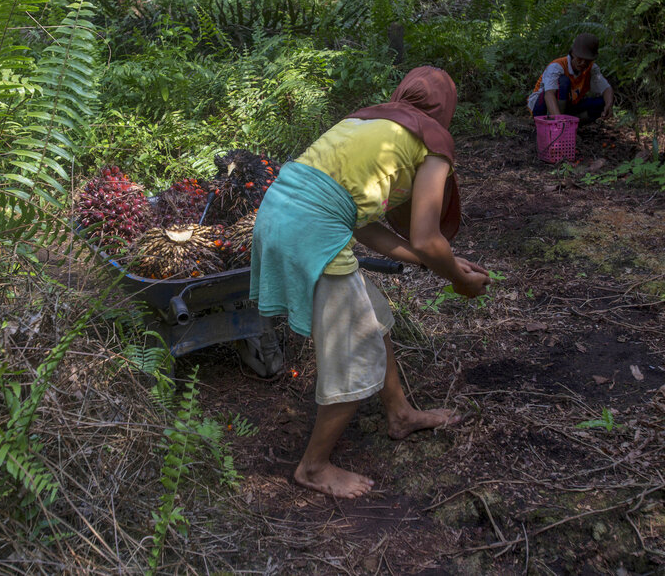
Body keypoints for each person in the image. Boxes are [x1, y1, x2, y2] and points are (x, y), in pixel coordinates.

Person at [250, 66, 492, 499]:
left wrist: (439, 260)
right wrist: (457, 278)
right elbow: (426, 236)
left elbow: (361, 225)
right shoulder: (433, 142)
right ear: (445, 111)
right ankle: (313, 467)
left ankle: (399, 414)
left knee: (372, 316)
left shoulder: (365, 121)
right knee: (355, 349)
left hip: (279, 212)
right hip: (312, 228)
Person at [527, 33, 614, 122]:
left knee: (602, 102)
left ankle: (571, 122)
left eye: (587, 60)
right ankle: (557, 124)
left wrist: (609, 105)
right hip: (542, 108)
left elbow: (606, 88)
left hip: (568, 105)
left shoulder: (592, 68)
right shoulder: (557, 66)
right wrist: (559, 121)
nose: (583, 63)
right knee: (563, 81)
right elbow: (549, 94)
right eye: (580, 58)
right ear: (573, 54)